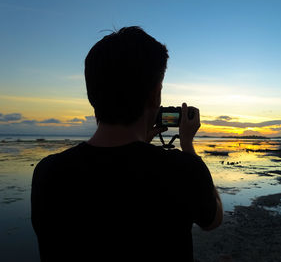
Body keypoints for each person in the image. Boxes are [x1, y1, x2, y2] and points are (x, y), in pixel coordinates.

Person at [31, 26, 223, 261]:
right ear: (155, 95)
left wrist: (142, 143)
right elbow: (213, 219)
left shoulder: (48, 173)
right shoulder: (182, 170)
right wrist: (188, 147)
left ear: (92, 95)